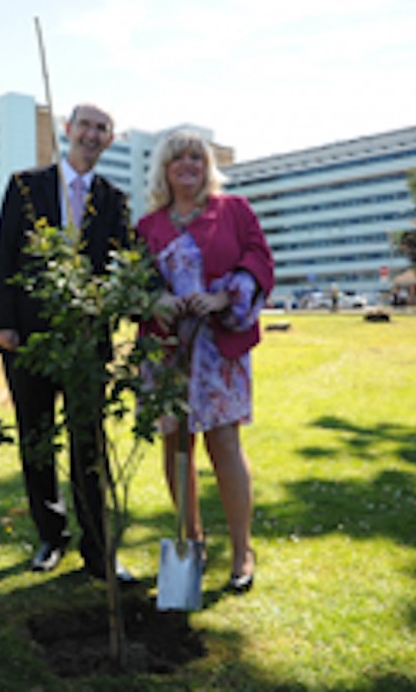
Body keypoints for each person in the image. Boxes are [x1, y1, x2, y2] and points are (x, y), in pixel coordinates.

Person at [0, 103, 137, 583]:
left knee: (88, 445)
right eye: (86, 125)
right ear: (68, 130)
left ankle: (98, 549)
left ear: (110, 140)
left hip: (87, 344)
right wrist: (2, 322)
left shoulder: (115, 201)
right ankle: (51, 535)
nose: (92, 135)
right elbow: (5, 253)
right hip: (28, 339)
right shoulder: (25, 187)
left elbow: (125, 266)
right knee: (36, 439)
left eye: (102, 128)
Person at [136, 129, 274, 593]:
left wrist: (223, 297)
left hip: (219, 350)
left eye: (197, 157)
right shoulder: (149, 226)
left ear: (208, 165)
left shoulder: (233, 210)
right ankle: (190, 542)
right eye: (178, 158)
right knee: (176, 446)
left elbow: (260, 260)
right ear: (165, 169)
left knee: (224, 445)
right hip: (168, 350)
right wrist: (157, 301)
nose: (188, 164)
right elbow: (136, 281)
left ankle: (241, 551)